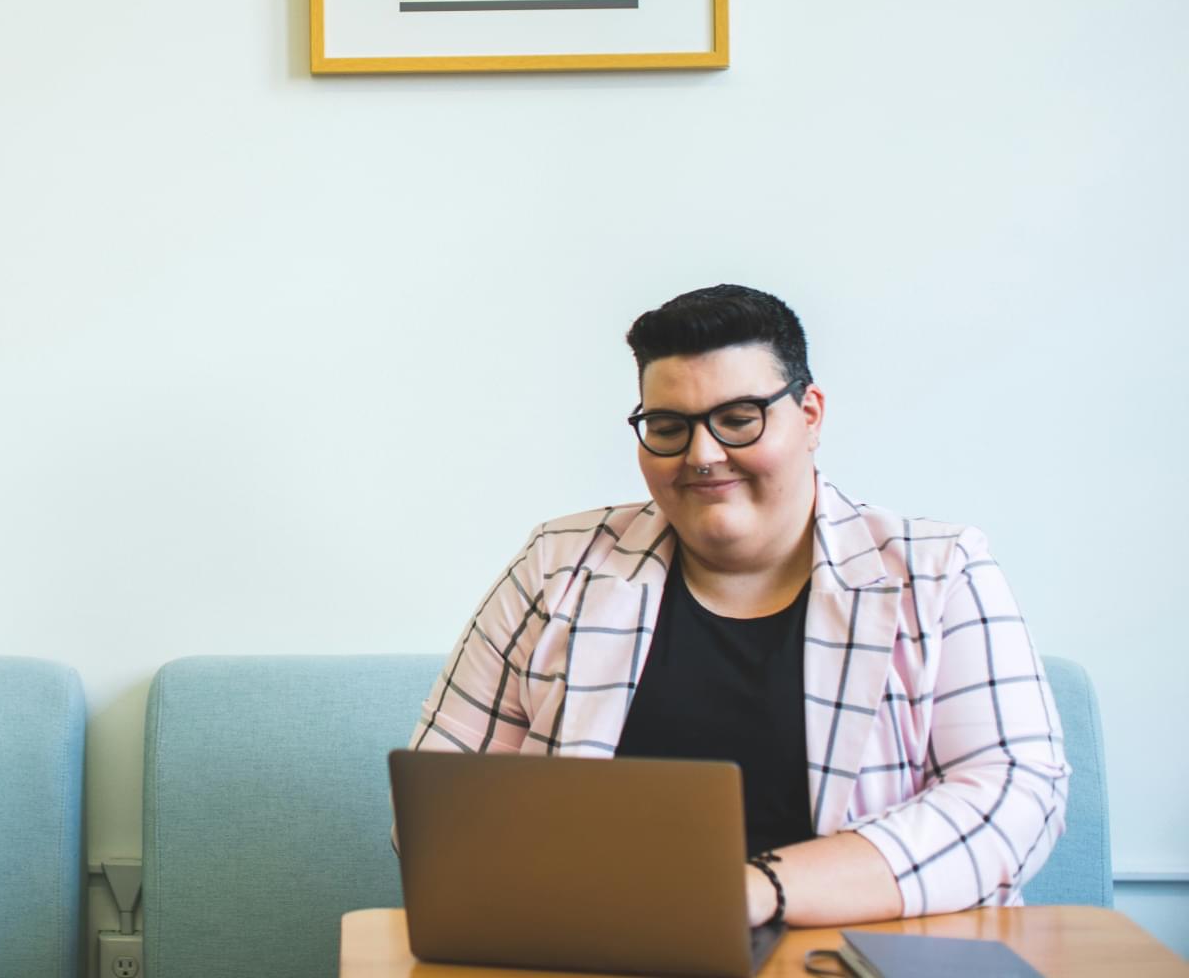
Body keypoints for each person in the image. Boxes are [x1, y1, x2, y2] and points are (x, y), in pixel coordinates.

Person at [408, 284, 1068, 927]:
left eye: (738, 419)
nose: (703, 455)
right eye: (668, 426)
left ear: (809, 415)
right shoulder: (557, 566)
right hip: (602, 950)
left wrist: (753, 890)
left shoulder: (939, 571)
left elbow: (1015, 800)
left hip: (859, 952)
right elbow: (438, 807)